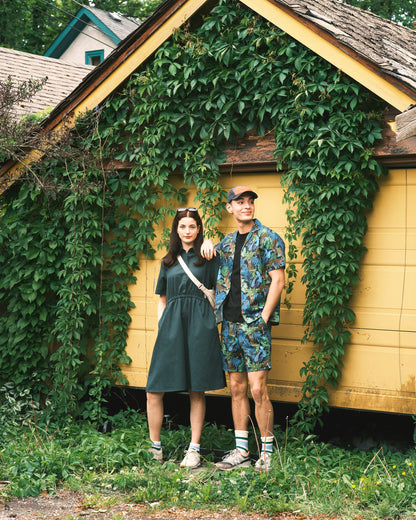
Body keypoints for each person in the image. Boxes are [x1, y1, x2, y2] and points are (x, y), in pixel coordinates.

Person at [201, 186, 285, 471]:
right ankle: (241, 451)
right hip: (230, 326)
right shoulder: (225, 243)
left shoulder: (268, 238)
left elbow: (278, 281)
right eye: (240, 202)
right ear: (230, 208)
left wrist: (263, 318)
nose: (247, 206)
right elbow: (206, 259)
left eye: (250, 202)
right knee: (236, 388)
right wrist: (207, 242)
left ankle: (267, 454)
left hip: (254, 326)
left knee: (258, 388)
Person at [146, 207, 225, 469]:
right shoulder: (168, 261)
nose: (187, 231)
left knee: (196, 389)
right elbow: (162, 299)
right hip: (171, 326)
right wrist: (162, 328)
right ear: (176, 230)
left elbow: (221, 290)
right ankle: (155, 448)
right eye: (183, 227)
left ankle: (194, 449)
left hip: (200, 326)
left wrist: (212, 244)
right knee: (154, 389)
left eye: (192, 226)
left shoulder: (209, 257)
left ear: (199, 229)